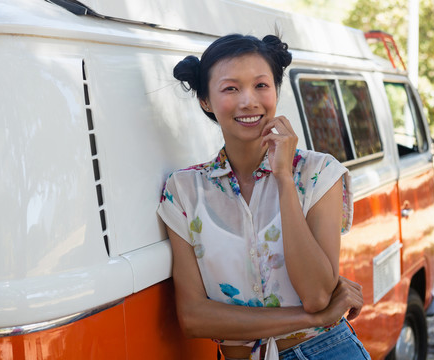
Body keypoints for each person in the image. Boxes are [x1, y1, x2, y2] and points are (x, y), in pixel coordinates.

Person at [157, 34, 370, 360]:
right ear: (205, 101)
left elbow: (315, 294)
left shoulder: (317, 172)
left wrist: (284, 178)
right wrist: (315, 318)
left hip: (326, 351)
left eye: (261, 85)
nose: (249, 101)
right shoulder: (184, 190)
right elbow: (194, 317)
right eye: (231, 88)